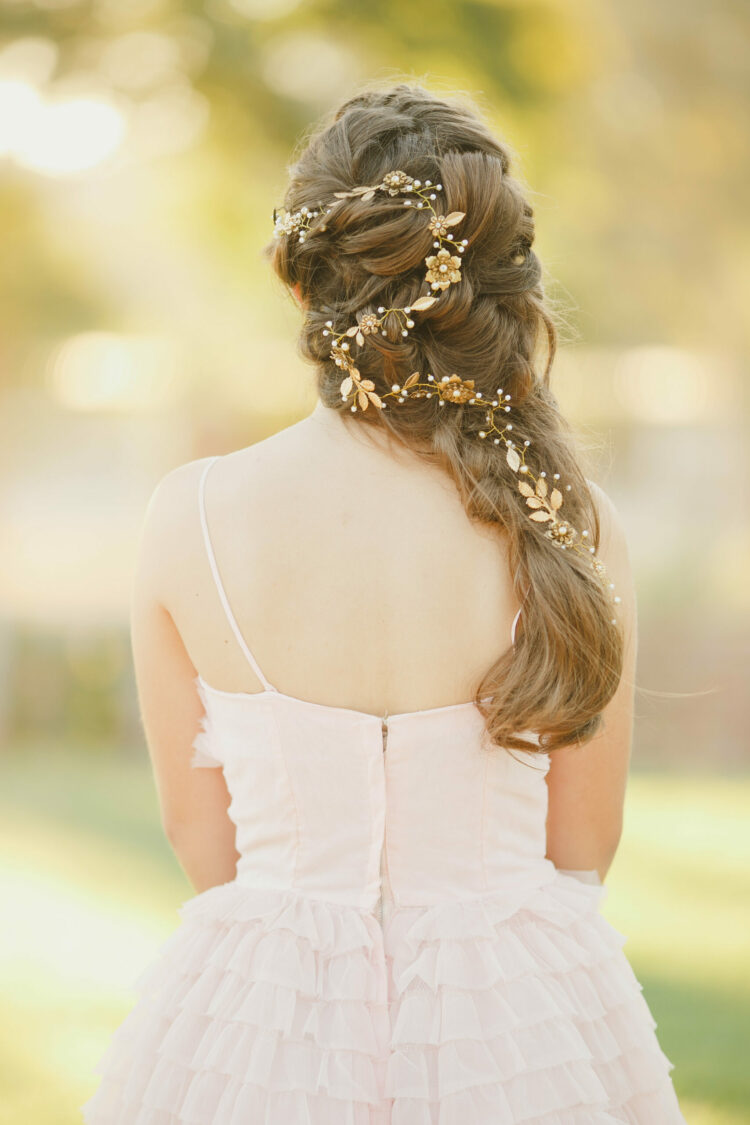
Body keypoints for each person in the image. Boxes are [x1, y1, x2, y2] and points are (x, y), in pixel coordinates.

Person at [80, 82, 687, 1123]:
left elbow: (204, 845)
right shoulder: (568, 523)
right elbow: (582, 849)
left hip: (259, 1029)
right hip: (520, 1027)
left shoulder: (193, 517)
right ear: (500, 285)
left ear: (308, 282)